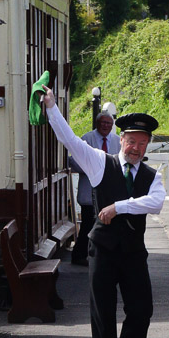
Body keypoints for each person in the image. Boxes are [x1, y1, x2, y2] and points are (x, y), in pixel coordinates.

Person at [42, 87, 165, 338]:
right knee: (103, 314)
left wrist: (119, 207)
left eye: (143, 142)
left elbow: (155, 204)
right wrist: (52, 108)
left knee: (142, 311)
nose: (136, 148)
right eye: (132, 141)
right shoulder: (99, 162)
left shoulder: (152, 176)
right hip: (104, 251)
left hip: (133, 252)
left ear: (148, 143)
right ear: (120, 140)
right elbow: (69, 139)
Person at [70, 110, 121, 266]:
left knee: (108, 226)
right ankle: (79, 255)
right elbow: (74, 162)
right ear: (97, 123)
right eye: (103, 123)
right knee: (88, 226)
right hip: (89, 193)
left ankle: (102, 255)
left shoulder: (117, 141)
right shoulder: (87, 138)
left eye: (109, 123)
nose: (106, 126)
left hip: (110, 194)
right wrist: (94, 168)